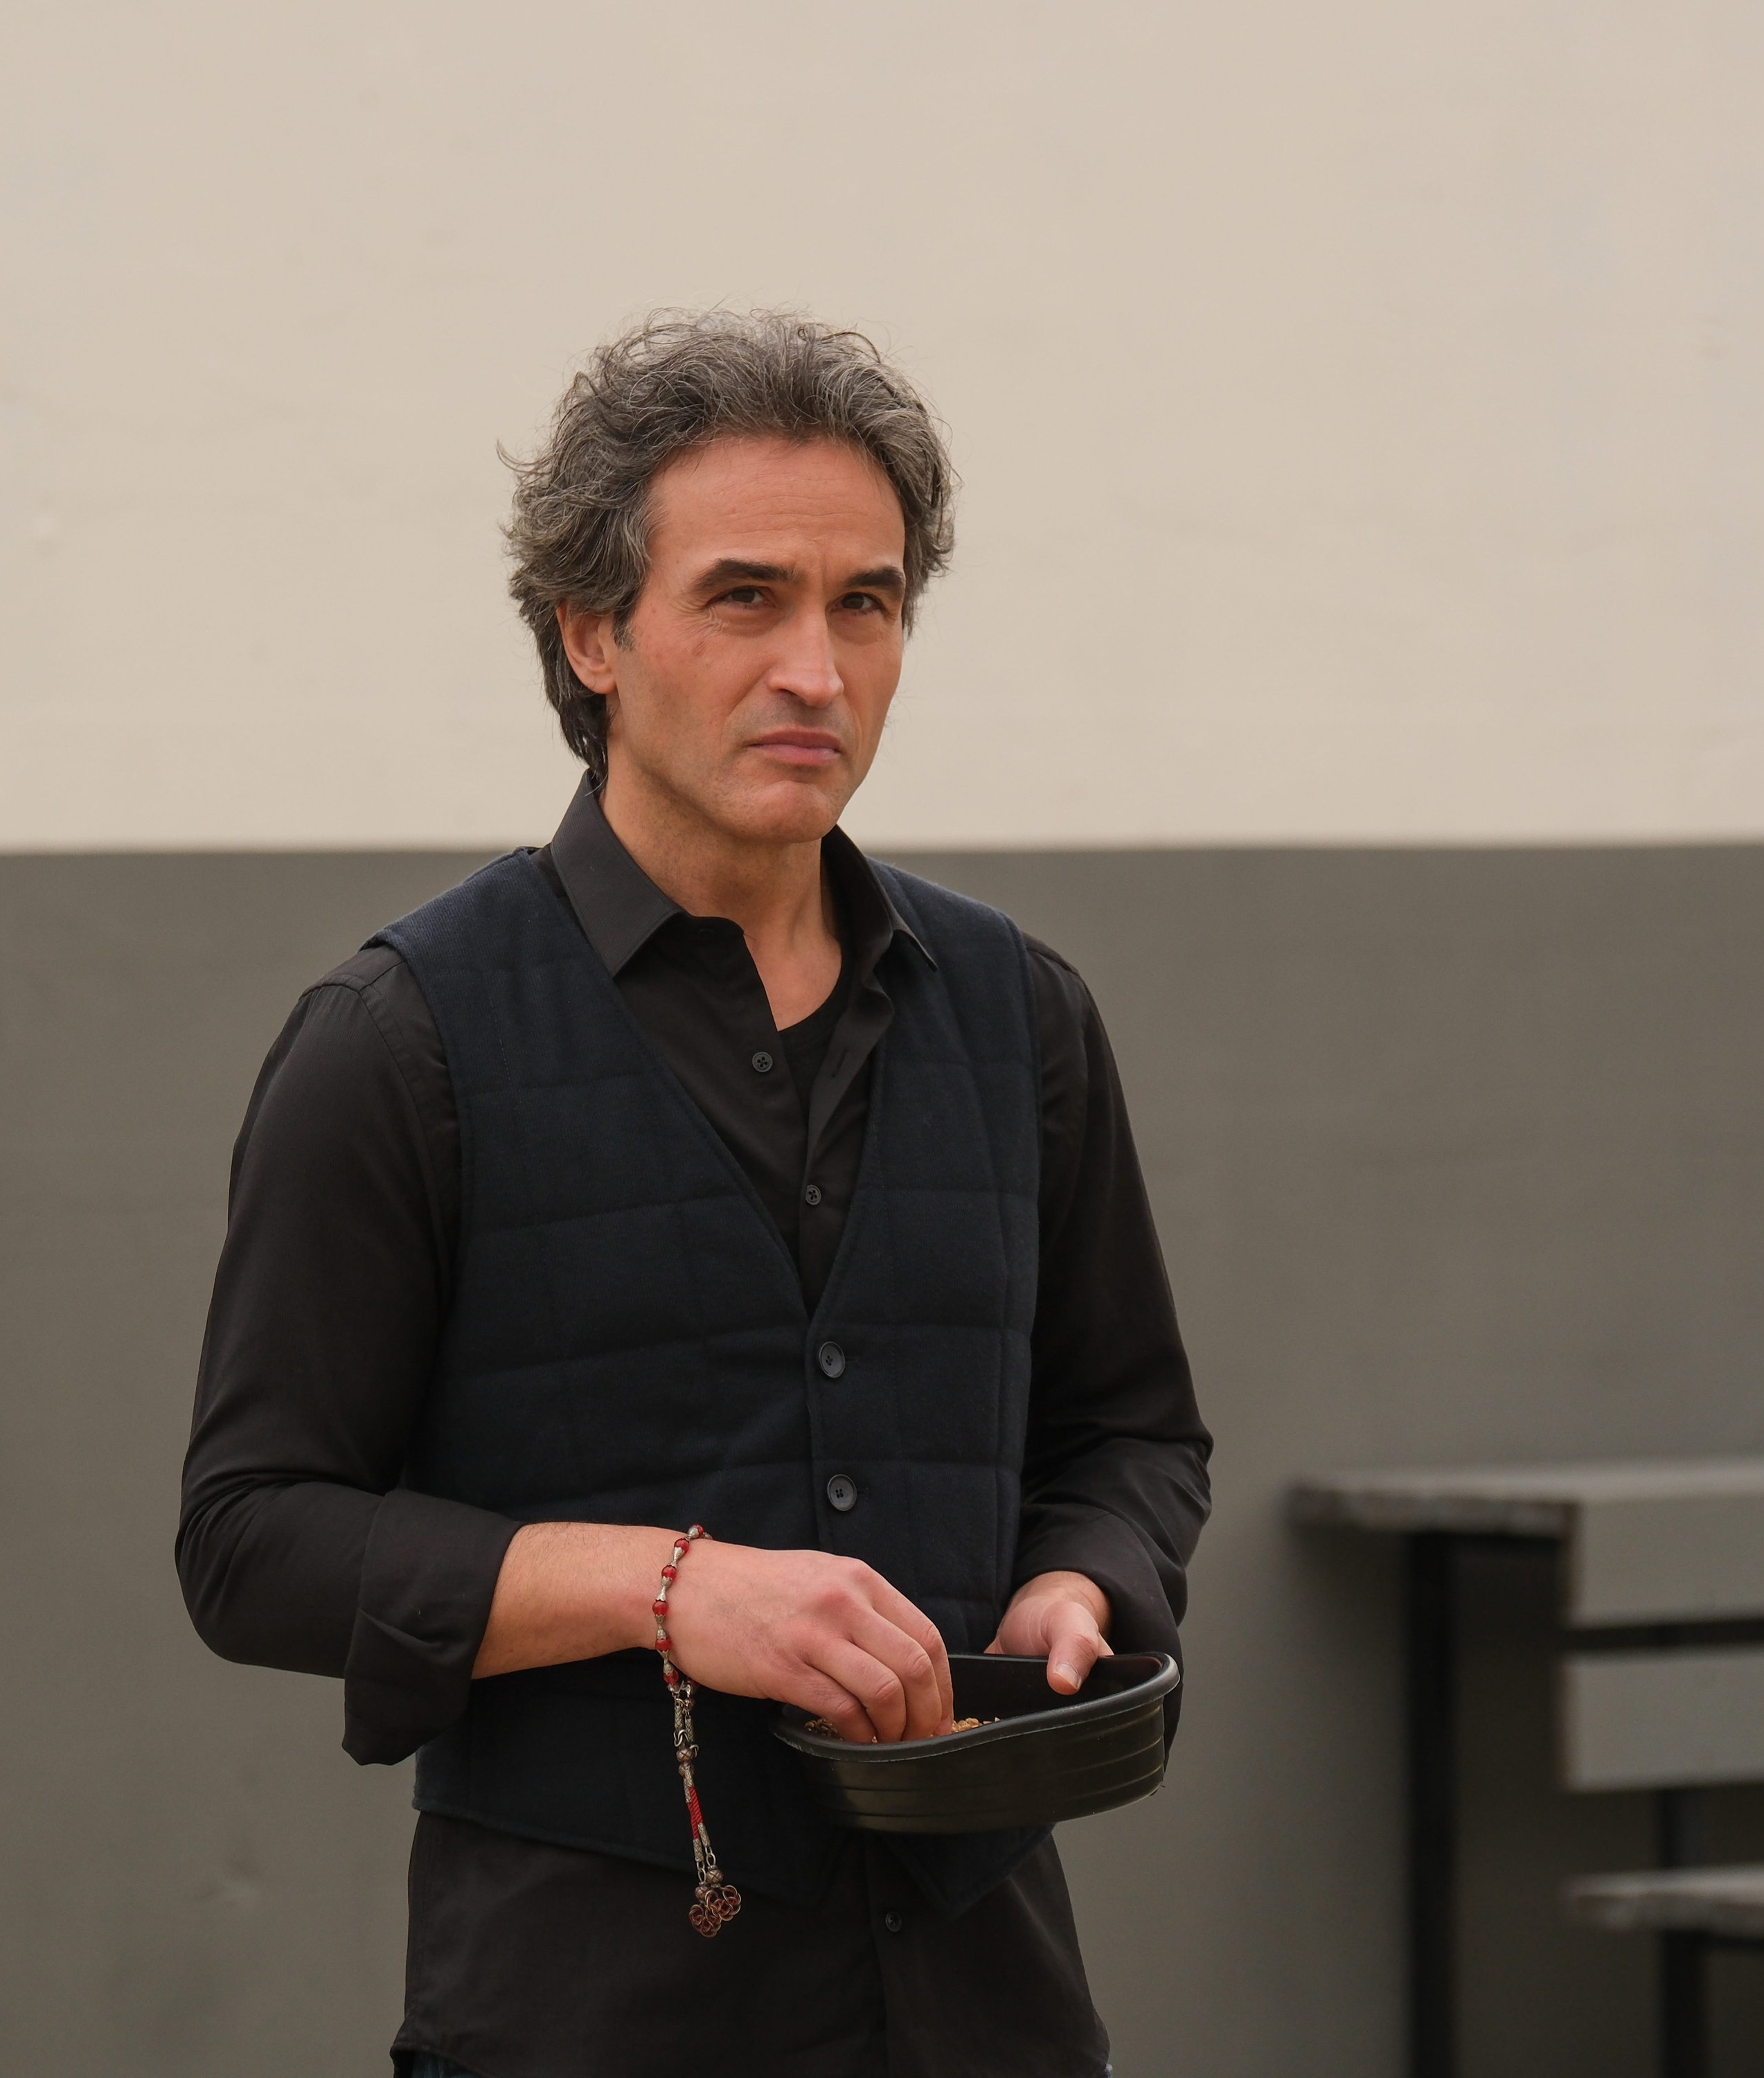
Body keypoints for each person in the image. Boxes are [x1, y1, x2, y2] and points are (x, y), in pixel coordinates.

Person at [177, 310, 1212, 2078]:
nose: (817, 667)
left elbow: (1131, 1432)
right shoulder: (399, 1040)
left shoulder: (1021, 1013)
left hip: (988, 2010)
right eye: (746, 598)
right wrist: (669, 1591)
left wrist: (1081, 1581)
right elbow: (251, 1541)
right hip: (588, 2015)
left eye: (865, 603)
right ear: (591, 633)